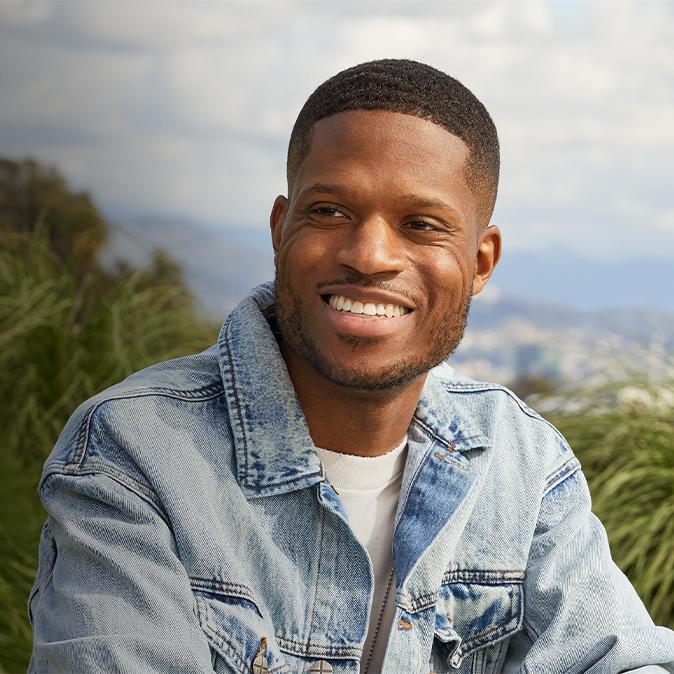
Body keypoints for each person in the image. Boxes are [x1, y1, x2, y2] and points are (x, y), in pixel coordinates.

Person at [29, 59, 674, 674]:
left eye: (421, 224)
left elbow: (616, 657)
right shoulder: (134, 455)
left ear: (481, 263)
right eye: (330, 211)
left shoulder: (522, 462)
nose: (369, 256)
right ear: (281, 228)